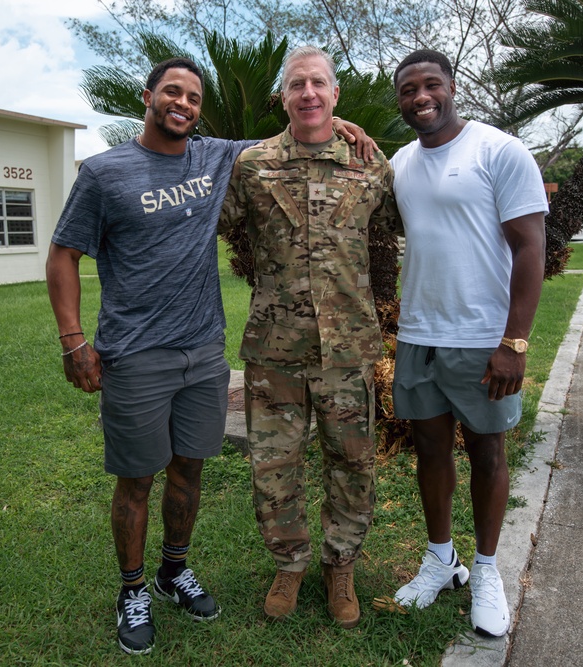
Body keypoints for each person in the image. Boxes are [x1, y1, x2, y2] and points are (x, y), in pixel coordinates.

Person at [46, 57, 376, 655]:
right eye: (172, 92)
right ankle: (133, 589)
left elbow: (303, 131)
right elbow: (63, 253)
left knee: (190, 469)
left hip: (202, 349)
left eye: (193, 97)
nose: (183, 103)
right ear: (147, 96)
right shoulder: (105, 172)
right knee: (137, 479)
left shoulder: (218, 156)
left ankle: (176, 571)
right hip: (136, 351)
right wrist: (74, 341)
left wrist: (339, 121)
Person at [219, 46, 401, 629]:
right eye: (297, 84)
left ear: (335, 94)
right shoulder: (252, 165)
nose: (308, 94)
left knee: (352, 464)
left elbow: (408, 226)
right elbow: (207, 218)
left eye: (318, 83)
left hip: (348, 350)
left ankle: (340, 566)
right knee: (275, 468)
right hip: (275, 350)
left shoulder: (372, 163)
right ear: (283, 96)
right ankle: (291, 564)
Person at [388, 50, 547, 638]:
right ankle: (440, 560)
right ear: (400, 99)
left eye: (431, 85)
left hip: (484, 342)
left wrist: (515, 343)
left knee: (487, 455)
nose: (421, 97)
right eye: (408, 90)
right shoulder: (400, 162)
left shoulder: (498, 151)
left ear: (453, 88)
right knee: (430, 453)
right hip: (418, 336)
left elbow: (531, 247)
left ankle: (484, 570)